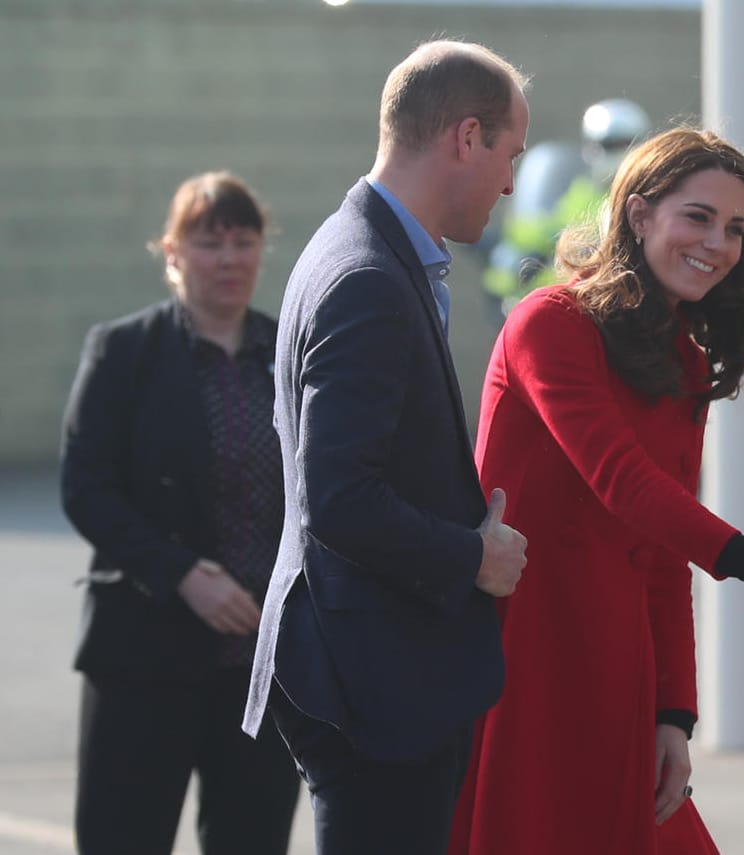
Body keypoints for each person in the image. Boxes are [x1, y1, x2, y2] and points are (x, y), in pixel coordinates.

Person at [450, 127, 744, 855]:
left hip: (618, 669)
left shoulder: (680, 356)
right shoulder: (550, 322)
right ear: (638, 215)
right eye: (697, 216)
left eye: (734, 227)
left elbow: (662, 555)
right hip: (526, 660)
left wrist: (674, 713)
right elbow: (621, 482)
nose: (719, 243)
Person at [240, 41, 531, 855]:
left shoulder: (363, 250)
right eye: (510, 154)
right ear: (465, 138)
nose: (511, 183)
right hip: (373, 672)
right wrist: (470, 556)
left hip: (374, 659)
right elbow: (338, 496)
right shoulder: (367, 273)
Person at [60, 171, 299, 854]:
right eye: (208, 241)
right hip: (145, 653)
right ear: (171, 254)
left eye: (243, 240)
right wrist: (181, 573)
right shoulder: (124, 351)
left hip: (258, 665)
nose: (228, 257)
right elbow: (86, 485)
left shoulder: (288, 354)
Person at [482, 97, 652, 312]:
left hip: (629, 303)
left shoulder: (652, 195)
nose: (613, 154)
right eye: (605, 145)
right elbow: (546, 229)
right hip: (568, 304)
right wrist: (522, 256)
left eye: (624, 144)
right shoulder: (581, 192)